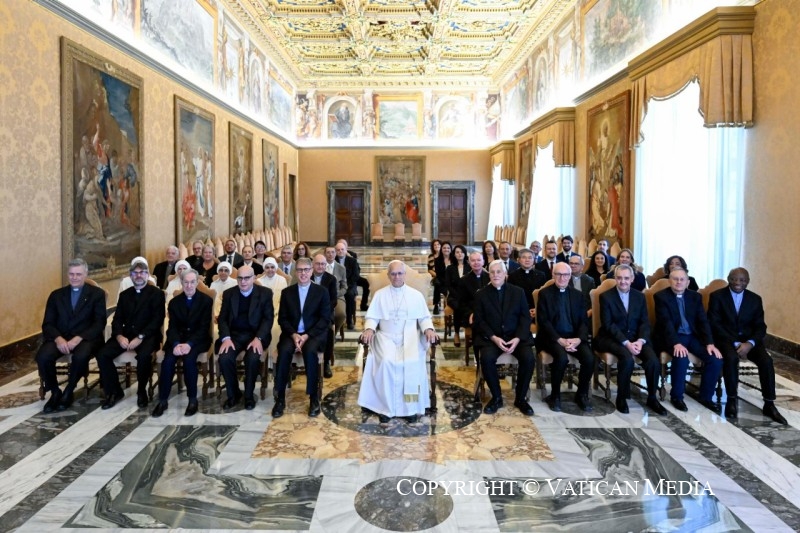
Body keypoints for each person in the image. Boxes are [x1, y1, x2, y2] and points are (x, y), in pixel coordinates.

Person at [358, 260, 438, 423]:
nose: (396, 277)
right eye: (393, 274)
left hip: (410, 337)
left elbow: (424, 317)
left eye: (400, 273)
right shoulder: (380, 295)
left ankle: (410, 408)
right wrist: (369, 329)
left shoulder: (416, 295)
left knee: (410, 362)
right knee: (386, 362)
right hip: (385, 337)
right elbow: (372, 317)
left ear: (405, 275)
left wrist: (428, 329)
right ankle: (385, 408)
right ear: (388, 275)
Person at [708, 268, 787, 424]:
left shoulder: (755, 299)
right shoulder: (717, 296)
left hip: (750, 341)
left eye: (742, 280)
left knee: (766, 361)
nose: (738, 283)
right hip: (726, 339)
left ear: (748, 281)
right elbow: (715, 324)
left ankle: (769, 403)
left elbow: (760, 326)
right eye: (734, 279)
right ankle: (731, 399)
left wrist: (750, 343)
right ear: (728, 279)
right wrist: (737, 343)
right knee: (731, 358)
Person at [36, 259, 107, 413]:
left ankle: (69, 390)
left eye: (78, 274)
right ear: (67, 275)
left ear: (85, 274)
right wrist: (58, 339)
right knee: (43, 357)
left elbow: (99, 323)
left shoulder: (97, 294)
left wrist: (79, 338)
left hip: (86, 338)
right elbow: (47, 324)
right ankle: (55, 391)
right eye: (71, 274)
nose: (74, 277)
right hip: (60, 337)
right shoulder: (56, 295)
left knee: (81, 356)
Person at [594, 265, 666, 415]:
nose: (623, 281)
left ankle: (652, 398)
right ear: (615, 278)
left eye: (626, 278)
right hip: (611, 338)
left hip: (636, 338)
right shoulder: (606, 296)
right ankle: (621, 397)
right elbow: (608, 325)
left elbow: (644, 322)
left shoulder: (639, 296)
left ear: (632, 279)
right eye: (619, 278)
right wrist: (626, 343)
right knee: (627, 358)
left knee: (653, 360)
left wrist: (640, 341)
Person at [96, 259, 165, 409]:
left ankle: (141, 391)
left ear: (147, 275)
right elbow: (117, 319)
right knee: (102, 354)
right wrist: (119, 336)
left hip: (148, 336)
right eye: (135, 273)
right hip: (126, 335)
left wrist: (140, 337)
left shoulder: (157, 294)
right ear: (130, 275)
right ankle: (114, 391)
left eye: (142, 272)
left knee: (144, 356)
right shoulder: (125, 295)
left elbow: (157, 320)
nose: (138, 275)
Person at [654, 267, 723, 413]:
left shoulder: (695, 297)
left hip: (692, 336)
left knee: (715, 359)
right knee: (681, 357)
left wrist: (710, 343)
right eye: (675, 279)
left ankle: (706, 397)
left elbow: (702, 321)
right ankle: (677, 397)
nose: (679, 282)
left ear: (688, 282)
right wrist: (676, 343)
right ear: (669, 281)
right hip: (671, 337)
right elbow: (665, 323)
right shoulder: (661, 297)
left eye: (682, 279)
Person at [472, 260, 535, 415]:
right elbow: (479, 321)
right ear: (489, 275)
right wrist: (494, 338)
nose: (495, 275)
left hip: (516, 338)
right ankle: (497, 397)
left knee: (528, 358)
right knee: (486, 359)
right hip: (492, 339)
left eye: (499, 272)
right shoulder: (480, 294)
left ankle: (520, 398)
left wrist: (518, 338)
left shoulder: (518, 292)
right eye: (492, 272)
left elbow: (525, 318)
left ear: (505, 274)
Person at [273, 258, 332, 418]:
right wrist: (294, 335)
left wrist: (306, 335)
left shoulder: (321, 292)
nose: (303, 273)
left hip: (313, 334)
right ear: (295, 272)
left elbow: (325, 319)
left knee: (310, 351)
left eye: (306, 270)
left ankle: (313, 398)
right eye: (300, 270)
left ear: (312, 271)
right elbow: (282, 319)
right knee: (284, 351)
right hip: (291, 333)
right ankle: (280, 398)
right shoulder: (287, 292)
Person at [535, 262, 595, 412]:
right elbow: (544, 321)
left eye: (566, 275)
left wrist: (579, 339)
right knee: (561, 358)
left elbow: (583, 321)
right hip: (552, 338)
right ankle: (555, 396)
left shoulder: (578, 295)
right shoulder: (545, 294)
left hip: (574, 338)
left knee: (589, 359)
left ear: (570, 276)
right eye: (559, 274)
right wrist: (559, 340)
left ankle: (581, 394)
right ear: (553, 275)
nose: (562, 278)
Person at [153, 269, 212, 417]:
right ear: (182, 283)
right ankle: (162, 400)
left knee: (189, 360)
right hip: (177, 340)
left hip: (197, 340)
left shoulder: (206, 301)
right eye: (186, 282)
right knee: (168, 361)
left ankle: (192, 400)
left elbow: (204, 328)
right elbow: (172, 327)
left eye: (192, 282)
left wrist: (189, 344)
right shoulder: (174, 302)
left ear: (197, 282)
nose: (189, 286)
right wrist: (175, 344)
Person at [216, 265, 274, 410]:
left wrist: (259, 338)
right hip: (234, 336)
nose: (243, 282)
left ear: (254, 278)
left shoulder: (265, 293)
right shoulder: (229, 294)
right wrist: (226, 338)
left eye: (247, 278)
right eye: (240, 278)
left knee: (252, 358)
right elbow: (222, 319)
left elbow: (268, 319)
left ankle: (248, 396)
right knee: (224, 358)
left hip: (255, 335)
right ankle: (233, 394)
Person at [456, 252, 490, 359]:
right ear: (469, 263)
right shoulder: (463, 280)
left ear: (483, 262)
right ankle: (478, 356)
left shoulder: (490, 277)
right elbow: (461, 303)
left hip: (489, 313)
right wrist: (471, 313)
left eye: (479, 260)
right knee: (477, 323)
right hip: (471, 314)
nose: (476, 263)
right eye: (473, 260)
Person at [311, 253, 339, 378]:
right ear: (313, 264)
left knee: (328, 331)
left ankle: (326, 362)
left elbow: (333, 301)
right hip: (308, 313)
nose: (320, 266)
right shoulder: (306, 276)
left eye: (323, 264)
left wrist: (321, 311)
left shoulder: (331, 279)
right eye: (318, 264)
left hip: (325, 313)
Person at [257, 258, 287, 362]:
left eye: (272, 267)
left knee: (275, 328)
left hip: (278, 312)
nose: (270, 270)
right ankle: (263, 360)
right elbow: (258, 302)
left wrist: (276, 312)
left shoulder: (282, 280)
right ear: (264, 268)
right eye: (267, 267)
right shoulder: (259, 281)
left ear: (276, 268)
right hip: (263, 314)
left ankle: (275, 359)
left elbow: (284, 300)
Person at [444, 244, 469, 346]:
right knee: (458, 306)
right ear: (454, 254)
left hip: (467, 295)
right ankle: (457, 333)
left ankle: (469, 330)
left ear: (465, 254)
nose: (460, 254)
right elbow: (448, 285)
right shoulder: (450, 268)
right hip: (454, 296)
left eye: (462, 252)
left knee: (467, 305)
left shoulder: (470, 267)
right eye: (457, 252)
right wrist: (457, 295)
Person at [335, 241, 360, 329]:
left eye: (342, 249)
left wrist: (346, 286)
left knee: (349, 295)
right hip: (338, 286)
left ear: (346, 250)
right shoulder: (333, 261)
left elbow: (356, 276)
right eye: (338, 250)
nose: (340, 251)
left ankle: (349, 320)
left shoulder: (352, 261)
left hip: (350, 285)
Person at [427, 240, 444, 314]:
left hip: (445, 276)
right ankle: (436, 305)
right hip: (436, 276)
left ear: (441, 246)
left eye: (438, 244)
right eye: (435, 245)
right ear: (433, 247)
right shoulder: (431, 257)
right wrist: (437, 275)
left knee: (439, 284)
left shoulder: (444, 255)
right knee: (437, 284)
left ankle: (438, 303)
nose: (437, 246)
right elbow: (429, 270)